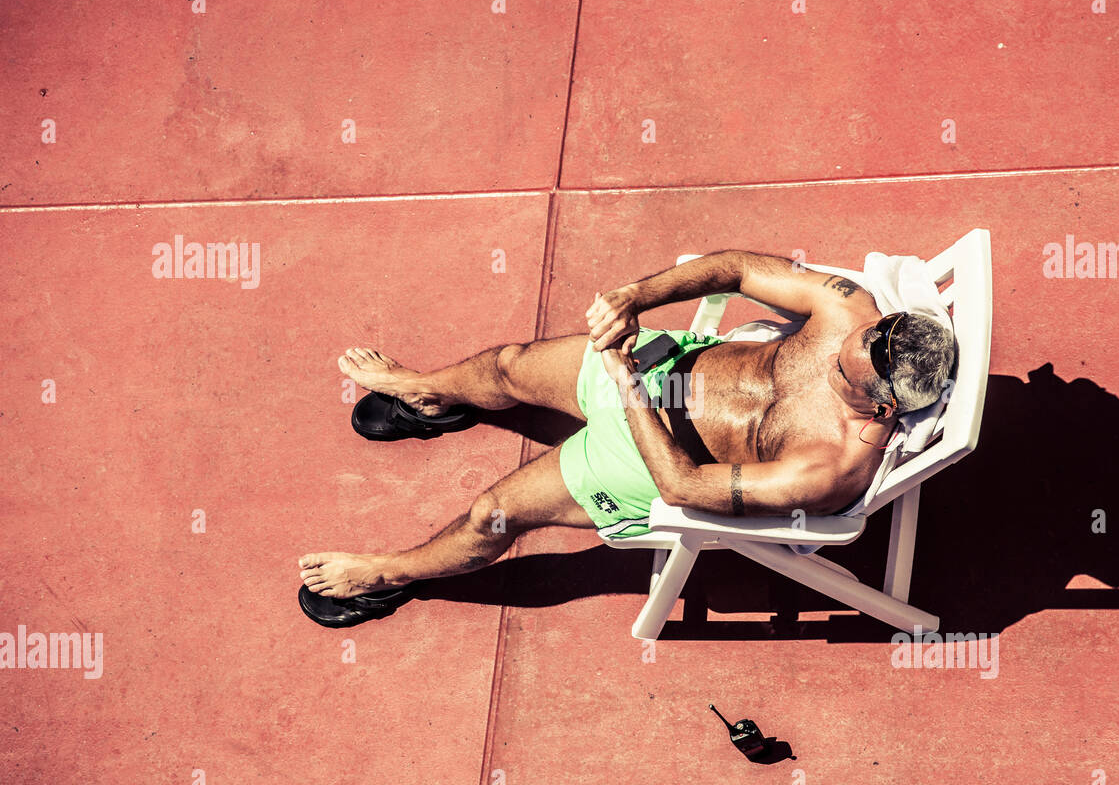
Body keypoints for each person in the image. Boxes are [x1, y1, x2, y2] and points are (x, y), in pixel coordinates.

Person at [297, 250, 956, 626]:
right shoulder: (854, 313)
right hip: (670, 365)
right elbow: (733, 268)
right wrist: (637, 296)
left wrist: (624, 380)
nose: (852, 341)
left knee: (490, 514)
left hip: (648, 458)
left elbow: (682, 486)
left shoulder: (833, 463)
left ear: (886, 402)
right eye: (868, 335)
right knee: (509, 364)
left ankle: (388, 573)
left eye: (857, 363)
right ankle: (428, 391)